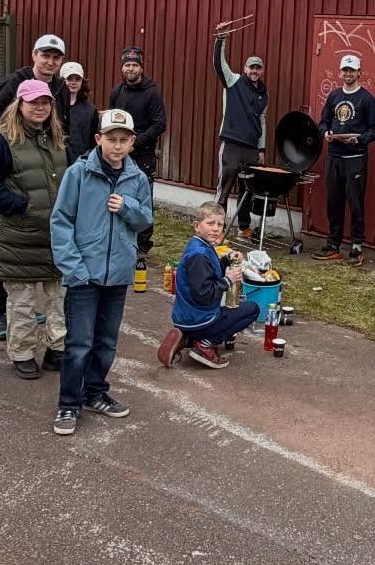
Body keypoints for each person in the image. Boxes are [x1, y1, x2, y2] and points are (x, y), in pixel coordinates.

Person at [49, 108, 154, 436]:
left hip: (118, 276)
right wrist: (75, 269)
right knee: (79, 343)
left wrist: (127, 208)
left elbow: (145, 220)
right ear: (99, 139)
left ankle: (95, 392)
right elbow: (60, 221)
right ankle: (69, 403)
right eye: (111, 139)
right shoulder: (78, 174)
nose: (117, 146)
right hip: (84, 275)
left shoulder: (137, 178)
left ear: (133, 142)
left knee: (106, 342)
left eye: (124, 140)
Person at [0, 34, 69, 341]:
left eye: (56, 57)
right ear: (34, 55)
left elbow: (61, 127)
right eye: (46, 55)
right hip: (15, 174)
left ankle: (32, 314)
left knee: (49, 269)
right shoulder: (15, 82)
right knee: (8, 257)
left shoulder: (59, 88)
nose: (51, 61)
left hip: (46, 180)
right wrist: (10, 146)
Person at [156, 202, 255, 370]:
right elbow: (204, 293)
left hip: (187, 317)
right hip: (199, 319)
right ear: (197, 226)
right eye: (210, 223)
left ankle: (186, 339)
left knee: (236, 309)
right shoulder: (199, 255)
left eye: (219, 224)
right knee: (251, 309)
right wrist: (228, 280)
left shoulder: (200, 245)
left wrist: (226, 259)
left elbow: (209, 272)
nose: (215, 229)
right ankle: (205, 345)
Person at [313, 53, 375, 267]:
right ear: (340, 72)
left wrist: (360, 139)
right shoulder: (333, 96)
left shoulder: (367, 99)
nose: (349, 74)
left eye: (352, 70)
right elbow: (323, 121)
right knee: (333, 201)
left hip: (355, 158)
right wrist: (325, 132)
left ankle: (356, 245)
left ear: (359, 72)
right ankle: (333, 244)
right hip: (334, 156)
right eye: (345, 70)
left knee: (355, 202)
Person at [108, 46, 168, 256]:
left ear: (141, 69)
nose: (130, 68)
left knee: (143, 198)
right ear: (122, 68)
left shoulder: (152, 92)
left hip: (142, 155)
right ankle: (119, 236)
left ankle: (143, 244)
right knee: (118, 194)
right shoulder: (117, 92)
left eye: (134, 65)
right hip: (118, 153)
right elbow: (110, 121)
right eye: (127, 65)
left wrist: (136, 143)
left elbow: (160, 124)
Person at [211, 23, 269, 237]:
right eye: (251, 67)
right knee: (224, 190)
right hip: (232, 146)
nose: (254, 71)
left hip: (252, 149)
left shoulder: (264, 94)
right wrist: (221, 40)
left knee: (247, 192)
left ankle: (243, 227)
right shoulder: (233, 81)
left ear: (262, 71)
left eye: (258, 68)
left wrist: (261, 149)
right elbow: (219, 64)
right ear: (245, 69)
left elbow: (262, 122)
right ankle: (217, 229)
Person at [61, 61, 97, 164]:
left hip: (81, 164)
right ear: (61, 80)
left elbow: (94, 143)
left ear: (82, 82)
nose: (73, 82)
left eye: (77, 79)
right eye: (69, 79)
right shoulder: (51, 106)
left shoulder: (90, 110)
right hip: (57, 165)